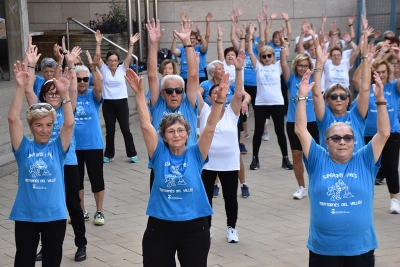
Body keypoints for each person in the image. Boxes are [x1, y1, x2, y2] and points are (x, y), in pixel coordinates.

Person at [124, 60, 229, 266]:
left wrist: (219, 101)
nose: (176, 134)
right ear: (163, 135)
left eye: (181, 130)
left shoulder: (196, 153)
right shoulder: (159, 153)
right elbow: (146, 125)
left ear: (188, 134)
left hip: (195, 227)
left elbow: (209, 126)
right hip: (159, 227)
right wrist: (138, 94)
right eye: (171, 131)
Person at [295, 68, 389, 267]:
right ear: (326, 142)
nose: (342, 142)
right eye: (335, 138)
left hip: (360, 249)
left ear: (355, 142)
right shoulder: (317, 158)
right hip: (323, 249)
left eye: (348, 137)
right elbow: (300, 130)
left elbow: (383, 133)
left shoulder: (364, 159)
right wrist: (302, 97)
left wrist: (380, 100)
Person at [25, 45, 88, 261]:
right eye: (50, 93)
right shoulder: (39, 110)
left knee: (73, 205)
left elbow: (68, 88)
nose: (55, 96)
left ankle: (81, 244)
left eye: (57, 93)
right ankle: (47, 246)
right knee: (46, 204)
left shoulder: (66, 107)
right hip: (44, 163)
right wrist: (31, 66)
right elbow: (27, 90)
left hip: (68, 163)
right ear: (43, 94)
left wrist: (68, 63)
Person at [8, 61, 74, 266]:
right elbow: (12, 119)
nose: (44, 130)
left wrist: (64, 96)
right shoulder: (24, 148)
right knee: (24, 261)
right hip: (26, 216)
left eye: (48, 125)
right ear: (31, 126)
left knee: (52, 262)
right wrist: (20, 87)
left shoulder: (57, 148)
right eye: (39, 125)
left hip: (54, 216)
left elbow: (69, 123)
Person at [146, 18, 200, 192]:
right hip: (161, 166)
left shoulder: (188, 104)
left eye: (178, 90)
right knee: (160, 213)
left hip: (188, 164)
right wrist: (154, 43)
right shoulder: (158, 103)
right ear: (163, 93)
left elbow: (192, 76)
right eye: (169, 91)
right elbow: (152, 77)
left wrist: (187, 43)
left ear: (183, 93)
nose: (174, 94)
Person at [199, 51, 245, 243]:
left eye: (221, 92)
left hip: (229, 163)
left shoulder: (232, 112)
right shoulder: (204, 111)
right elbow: (193, 88)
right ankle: (206, 228)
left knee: (230, 198)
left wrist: (239, 69)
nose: (218, 95)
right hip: (207, 164)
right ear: (210, 97)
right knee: (206, 197)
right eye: (214, 93)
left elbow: (238, 92)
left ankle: (231, 228)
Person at [312, 30, 371, 152]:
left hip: (355, 167)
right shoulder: (325, 117)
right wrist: (319, 63)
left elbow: (365, 90)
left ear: (349, 99)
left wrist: (365, 58)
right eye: (333, 96)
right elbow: (317, 94)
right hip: (330, 167)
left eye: (343, 96)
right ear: (327, 101)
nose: (338, 99)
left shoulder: (356, 115)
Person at [247, 22, 292, 171]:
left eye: (269, 55)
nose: (266, 58)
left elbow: (285, 56)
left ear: (273, 56)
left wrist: (284, 42)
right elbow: (250, 52)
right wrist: (249, 36)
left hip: (277, 102)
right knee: (258, 131)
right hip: (261, 103)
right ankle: (255, 158)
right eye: (264, 56)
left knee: (280, 131)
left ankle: (285, 159)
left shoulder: (278, 65)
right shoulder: (258, 66)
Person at [94, 30, 139, 163]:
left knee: (125, 129)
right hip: (108, 104)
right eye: (110, 60)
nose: (113, 62)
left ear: (118, 61)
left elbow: (129, 58)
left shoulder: (122, 69)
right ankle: (108, 154)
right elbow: (97, 57)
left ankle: (132, 154)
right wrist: (98, 42)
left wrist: (131, 44)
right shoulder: (104, 70)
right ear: (107, 62)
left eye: (115, 60)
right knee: (110, 131)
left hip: (122, 103)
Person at [281, 43, 318, 199]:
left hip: (312, 122)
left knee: (313, 156)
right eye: (301, 65)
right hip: (293, 122)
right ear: (296, 65)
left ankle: (316, 186)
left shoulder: (314, 78)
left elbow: (320, 65)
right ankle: (301, 187)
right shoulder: (291, 79)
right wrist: (284, 46)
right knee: (297, 155)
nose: (303, 68)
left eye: (306, 65)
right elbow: (283, 63)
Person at [364, 57, 400, 214]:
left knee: (391, 166)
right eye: (377, 72)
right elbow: (356, 80)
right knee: (368, 168)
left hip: (391, 133)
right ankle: (365, 200)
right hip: (369, 133)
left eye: (384, 72)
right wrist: (366, 59)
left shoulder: (394, 87)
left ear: (389, 72)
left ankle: (394, 200)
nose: (381, 75)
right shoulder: (368, 88)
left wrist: (398, 57)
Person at [74, 53, 107, 226]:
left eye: (85, 79)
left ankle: (99, 212)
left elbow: (100, 87)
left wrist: (93, 68)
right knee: (76, 180)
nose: (82, 82)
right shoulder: (71, 97)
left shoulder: (93, 97)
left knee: (96, 179)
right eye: (79, 79)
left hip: (93, 144)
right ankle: (81, 211)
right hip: (74, 146)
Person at [171, 12, 210, 86]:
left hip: (199, 76)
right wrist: (174, 39)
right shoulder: (182, 49)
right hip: (185, 77)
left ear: (196, 40)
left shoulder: (199, 48)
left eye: (193, 39)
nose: (192, 40)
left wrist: (200, 34)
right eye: (190, 38)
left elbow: (205, 46)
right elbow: (173, 51)